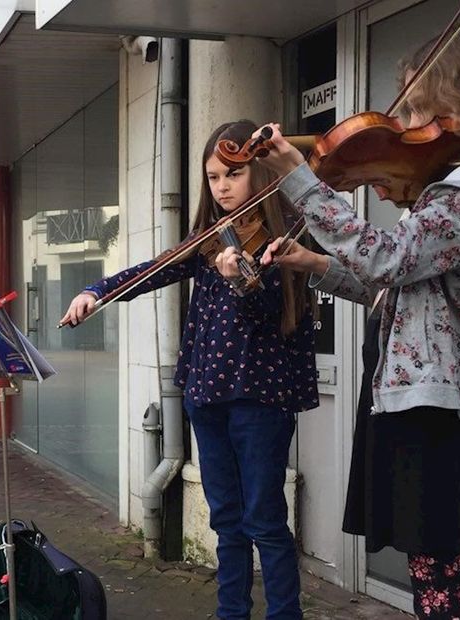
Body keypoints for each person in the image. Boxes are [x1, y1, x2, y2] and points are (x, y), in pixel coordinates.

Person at [252, 22, 460, 620]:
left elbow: (387, 256)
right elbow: (395, 285)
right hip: (419, 398)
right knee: (436, 571)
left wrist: (300, 180)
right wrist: (314, 263)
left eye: (422, 107)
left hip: (436, 408)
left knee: (441, 573)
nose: (413, 126)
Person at [61, 120, 318, 620]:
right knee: (226, 519)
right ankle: (231, 614)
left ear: (260, 173)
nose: (221, 187)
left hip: (259, 397)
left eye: (233, 175)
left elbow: (269, 314)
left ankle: (285, 614)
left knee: (265, 518)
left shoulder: (284, 237)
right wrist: (98, 290)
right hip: (207, 393)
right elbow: (154, 269)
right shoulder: (207, 241)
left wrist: (241, 281)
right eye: (213, 177)